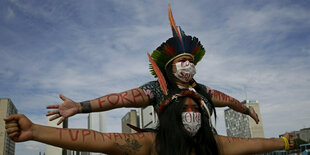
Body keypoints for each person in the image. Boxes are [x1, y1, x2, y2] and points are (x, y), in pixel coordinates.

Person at [45, 5, 259, 126]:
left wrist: (247, 110)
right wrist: (80, 107)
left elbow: (230, 101)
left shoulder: (203, 91)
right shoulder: (156, 89)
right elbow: (119, 99)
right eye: (182, 61)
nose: (188, 65)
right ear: (169, 67)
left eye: (191, 62)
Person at [4, 91, 294, 155]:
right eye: (184, 109)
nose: (191, 113)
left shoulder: (215, 144)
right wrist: (35, 132)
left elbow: (255, 143)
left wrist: (284, 141)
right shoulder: (152, 143)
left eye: (197, 108)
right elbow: (96, 139)